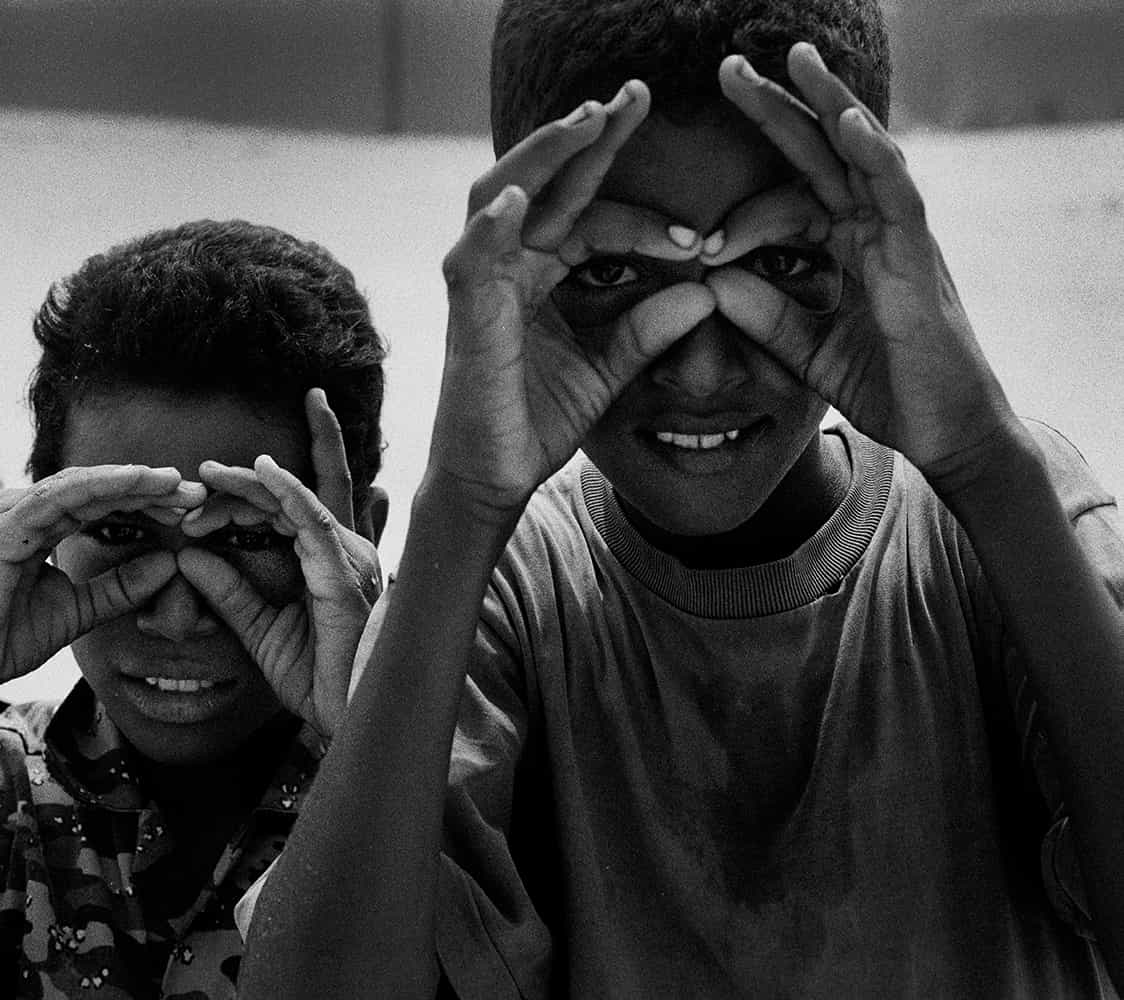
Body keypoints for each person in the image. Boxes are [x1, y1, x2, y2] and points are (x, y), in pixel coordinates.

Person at [235, 1, 1124, 996]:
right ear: (519, 260)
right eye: (615, 270)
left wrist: (984, 460)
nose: (700, 371)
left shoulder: (1006, 521)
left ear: (874, 258)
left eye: (780, 262)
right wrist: (463, 503)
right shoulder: (511, 587)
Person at [0, 219, 388, 999]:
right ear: (43, 529)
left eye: (246, 537)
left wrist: (366, 740)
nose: (176, 614)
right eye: (118, 528)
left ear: (359, 534)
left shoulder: (471, 772)